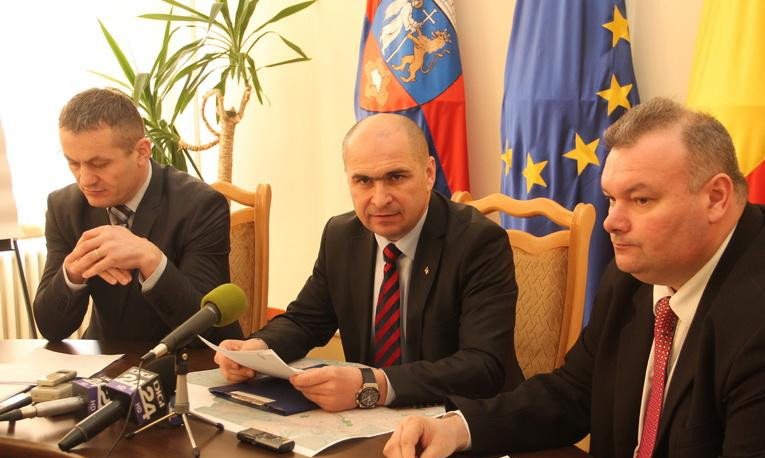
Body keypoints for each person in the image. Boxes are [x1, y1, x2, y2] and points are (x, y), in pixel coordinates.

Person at [384, 98, 765, 458]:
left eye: (641, 199)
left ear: (715, 198)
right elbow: (575, 391)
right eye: (611, 199)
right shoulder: (638, 273)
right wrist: (459, 427)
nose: (611, 222)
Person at [215, 113, 522, 411]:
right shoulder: (341, 236)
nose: (379, 199)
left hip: (463, 421)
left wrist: (374, 385)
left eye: (396, 177)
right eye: (363, 181)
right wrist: (258, 349)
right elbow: (305, 321)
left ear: (429, 174)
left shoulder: (478, 242)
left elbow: (482, 365)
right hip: (371, 421)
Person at [34, 88, 241, 343]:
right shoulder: (64, 208)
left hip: (185, 360)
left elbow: (206, 329)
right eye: (73, 163)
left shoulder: (201, 205)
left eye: (99, 164)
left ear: (142, 151)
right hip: (104, 359)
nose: (85, 179)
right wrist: (72, 273)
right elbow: (51, 329)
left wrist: (151, 260)